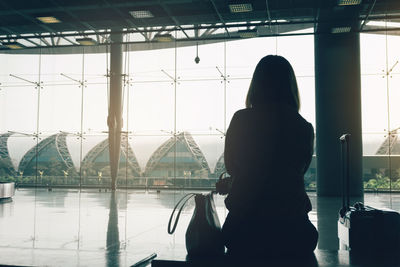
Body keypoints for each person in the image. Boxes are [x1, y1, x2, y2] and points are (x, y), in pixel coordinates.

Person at [218, 55, 318, 257]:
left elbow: (231, 167)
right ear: (290, 87)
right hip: (294, 233)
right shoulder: (304, 127)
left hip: (242, 231)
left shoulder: (241, 119)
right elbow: (298, 170)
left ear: (256, 84)